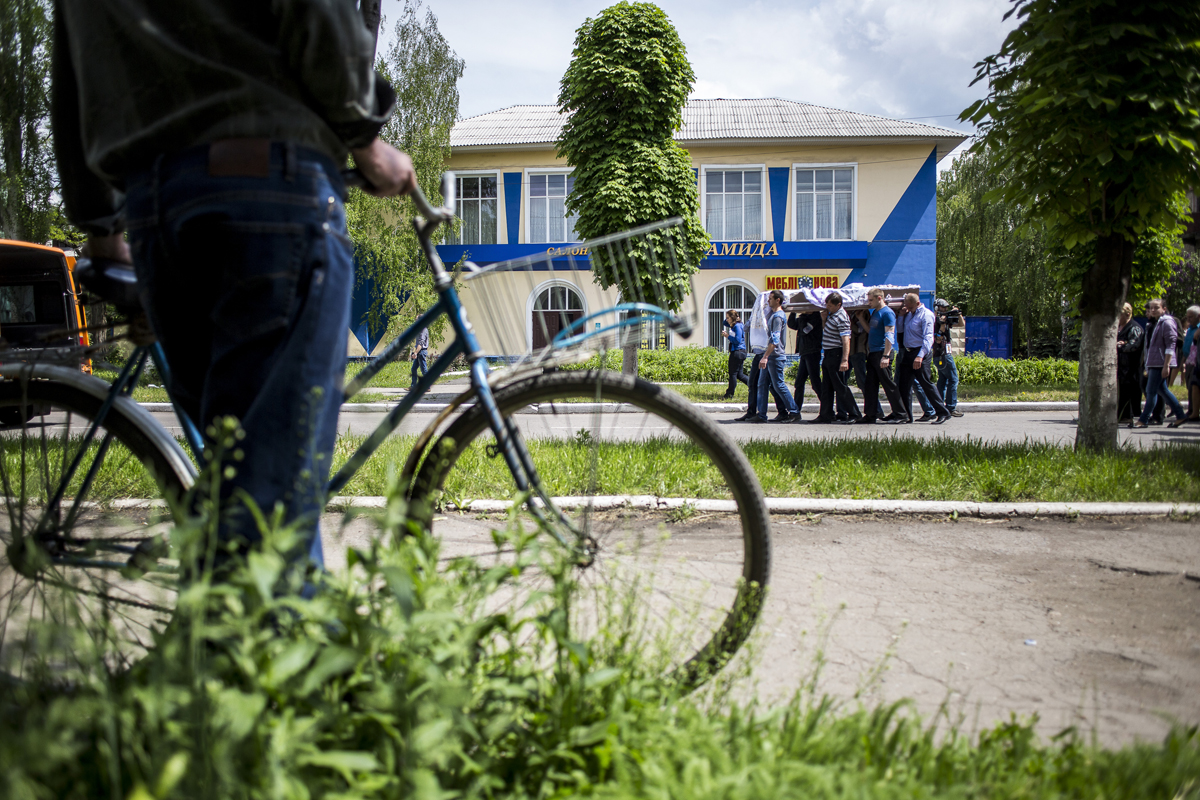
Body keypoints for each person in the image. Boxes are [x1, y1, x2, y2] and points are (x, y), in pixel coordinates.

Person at [52, 2, 415, 572]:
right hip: (267, 184)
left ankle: (207, 646)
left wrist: (100, 227)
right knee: (270, 516)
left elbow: (72, 63)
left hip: (155, 207)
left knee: (237, 480)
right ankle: (280, 653)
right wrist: (365, 139)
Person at [1133, 298, 1187, 428]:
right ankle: (1180, 414)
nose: (1152, 310)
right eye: (1151, 308)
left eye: (1156, 307)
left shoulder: (1167, 322)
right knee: (1162, 390)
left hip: (1160, 363)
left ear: (1164, 308)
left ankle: (1143, 419)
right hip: (1154, 362)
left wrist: (1166, 365)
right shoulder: (1156, 322)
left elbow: (1171, 344)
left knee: (1151, 391)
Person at [897, 294, 950, 424]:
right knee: (903, 385)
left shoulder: (926, 315)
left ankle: (942, 412)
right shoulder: (909, 314)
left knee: (925, 383)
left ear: (916, 303)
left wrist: (920, 356)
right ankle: (906, 415)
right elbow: (900, 329)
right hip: (908, 352)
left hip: (920, 352)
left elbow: (928, 338)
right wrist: (901, 316)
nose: (906, 307)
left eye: (908, 305)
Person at [808, 292, 860, 424]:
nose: (828, 307)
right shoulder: (832, 315)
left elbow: (846, 339)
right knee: (827, 387)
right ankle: (825, 414)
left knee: (840, 386)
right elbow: (828, 331)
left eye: (830, 305)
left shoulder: (842, 317)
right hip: (828, 354)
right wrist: (824, 319)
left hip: (836, 354)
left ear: (839, 305)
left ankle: (854, 413)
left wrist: (844, 359)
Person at [736, 292, 787, 421]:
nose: (766, 302)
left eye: (768, 299)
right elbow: (747, 327)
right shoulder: (757, 315)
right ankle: (753, 412)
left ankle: (784, 411)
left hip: (767, 353)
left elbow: (774, 336)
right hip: (759, 353)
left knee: (771, 385)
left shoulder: (772, 315)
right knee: (755, 383)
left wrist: (766, 356)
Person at [751, 290, 800, 423]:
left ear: (778, 300)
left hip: (775, 356)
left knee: (779, 385)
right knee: (762, 384)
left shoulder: (778, 316)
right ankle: (761, 415)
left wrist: (765, 356)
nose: (768, 301)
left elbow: (775, 340)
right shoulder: (773, 315)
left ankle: (794, 412)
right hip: (770, 356)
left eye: (771, 299)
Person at [859, 288, 904, 424]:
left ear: (880, 298)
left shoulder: (887, 313)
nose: (869, 303)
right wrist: (861, 318)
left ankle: (901, 414)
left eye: (871, 300)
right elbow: (870, 331)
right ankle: (870, 415)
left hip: (882, 353)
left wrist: (886, 355)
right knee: (870, 385)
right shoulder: (876, 313)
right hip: (873, 353)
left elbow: (889, 335)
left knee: (888, 384)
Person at [787, 307, 824, 415]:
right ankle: (796, 410)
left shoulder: (815, 318)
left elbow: (804, 331)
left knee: (815, 383)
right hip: (804, 353)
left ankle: (827, 408)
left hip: (812, 352)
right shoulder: (803, 318)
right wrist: (793, 311)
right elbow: (792, 325)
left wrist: (802, 317)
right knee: (799, 383)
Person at [933, 298, 964, 418]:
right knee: (953, 380)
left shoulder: (944, 320)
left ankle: (940, 406)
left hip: (943, 355)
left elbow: (961, 324)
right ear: (937, 308)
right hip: (943, 354)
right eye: (943, 308)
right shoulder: (935, 321)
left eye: (946, 308)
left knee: (942, 381)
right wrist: (942, 325)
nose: (945, 310)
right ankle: (951, 407)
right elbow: (937, 339)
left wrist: (958, 314)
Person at [1115, 302, 1144, 423]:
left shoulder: (1134, 328)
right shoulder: (1118, 327)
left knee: (1128, 392)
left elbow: (1134, 345)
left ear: (1127, 314)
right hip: (1121, 367)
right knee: (1121, 392)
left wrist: (1121, 346)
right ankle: (1121, 415)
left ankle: (1127, 417)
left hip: (1131, 367)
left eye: (1119, 314)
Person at [722, 310, 749, 399]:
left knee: (733, 373)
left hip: (737, 352)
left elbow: (737, 340)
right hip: (740, 352)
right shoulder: (736, 325)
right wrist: (730, 319)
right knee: (739, 375)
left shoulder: (737, 326)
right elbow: (724, 323)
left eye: (728, 318)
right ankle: (754, 386)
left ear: (733, 318)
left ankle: (729, 394)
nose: (727, 319)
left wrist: (727, 336)